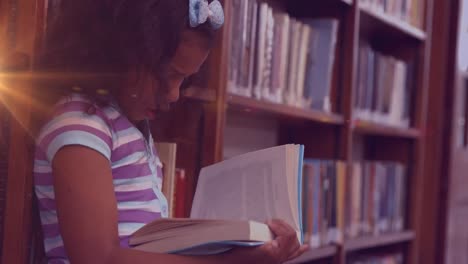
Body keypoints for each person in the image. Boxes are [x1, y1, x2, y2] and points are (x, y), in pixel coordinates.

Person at [33, 0, 308, 263]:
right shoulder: (81, 123)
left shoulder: (130, 127)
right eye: (169, 75)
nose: (175, 94)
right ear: (123, 51)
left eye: (185, 79)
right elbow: (99, 258)